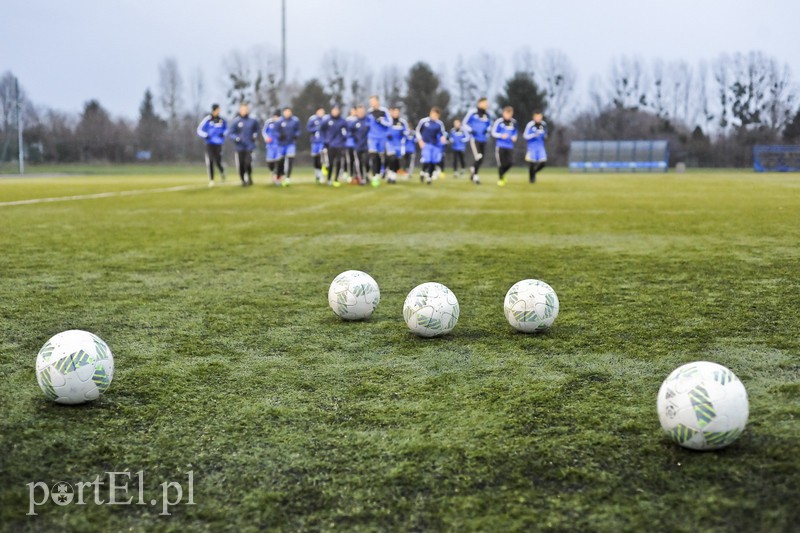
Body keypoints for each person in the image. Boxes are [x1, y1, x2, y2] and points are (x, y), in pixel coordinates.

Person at [228, 103, 260, 186]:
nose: (244, 111)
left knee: (248, 163)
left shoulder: (253, 120)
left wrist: (255, 135)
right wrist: (236, 138)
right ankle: (243, 180)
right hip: (240, 147)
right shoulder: (236, 121)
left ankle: (249, 176)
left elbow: (257, 130)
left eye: (245, 109)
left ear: (248, 110)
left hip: (249, 146)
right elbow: (231, 133)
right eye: (242, 109)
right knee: (241, 164)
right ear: (240, 110)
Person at [463, 97, 492, 185]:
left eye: (487, 103)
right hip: (474, 139)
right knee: (478, 157)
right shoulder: (472, 112)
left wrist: (487, 129)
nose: (487, 105)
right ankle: (475, 176)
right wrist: (471, 130)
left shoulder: (487, 114)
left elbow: (490, 125)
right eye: (485, 103)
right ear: (479, 103)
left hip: (483, 139)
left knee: (481, 159)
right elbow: (464, 123)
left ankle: (473, 169)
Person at [196, 104, 227, 187]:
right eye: (218, 109)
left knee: (218, 162)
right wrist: (205, 135)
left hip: (218, 144)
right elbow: (199, 130)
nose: (219, 111)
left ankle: (222, 172)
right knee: (210, 161)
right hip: (209, 144)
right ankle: (211, 179)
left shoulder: (222, 120)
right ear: (214, 110)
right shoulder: (208, 120)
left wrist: (223, 134)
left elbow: (226, 129)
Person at [416, 106, 448, 185]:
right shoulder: (423, 121)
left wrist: (443, 138)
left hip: (435, 145)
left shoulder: (439, 124)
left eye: (436, 115)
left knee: (433, 161)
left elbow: (442, 134)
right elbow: (417, 131)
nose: (434, 116)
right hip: (426, 144)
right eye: (433, 114)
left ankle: (429, 177)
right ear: (430, 113)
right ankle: (423, 172)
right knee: (427, 160)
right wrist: (420, 141)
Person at [320, 105, 349, 187]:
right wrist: (324, 140)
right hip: (330, 145)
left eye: (337, 110)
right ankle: (329, 179)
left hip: (340, 145)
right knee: (330, 163)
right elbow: (321, 130)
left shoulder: (342, 121)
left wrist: (345, 138)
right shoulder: (327, 120)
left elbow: (347, 132)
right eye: (334, 110)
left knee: (339, 162)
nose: (335, 112)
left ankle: (336, 179)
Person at [366, 95, 392, 186]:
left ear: (377, 101)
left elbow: (390, 123)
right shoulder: (369, 112)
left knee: (381, 157)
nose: (371, 103)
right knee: (373, 156)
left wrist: (381, 121)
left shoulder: (384, 111)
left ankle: (382, 171)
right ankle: (374, 176)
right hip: (372, 138)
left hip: (382, 137)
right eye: (370, 101)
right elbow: (367, 124)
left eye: (373, 101)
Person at [491, 106, 518, 187]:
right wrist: (501, 135)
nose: (508, 115)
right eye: (507, 113)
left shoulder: (514, 122)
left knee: (510, 163)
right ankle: (501, 179)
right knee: (501, 164)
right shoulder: (499, 122)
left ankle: (502, 174)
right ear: (504, 113)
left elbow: (515, 132)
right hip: (500, 146)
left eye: (510, 114)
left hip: (510, 146)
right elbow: (493, 133)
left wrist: (514, 137)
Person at [274, 107, 301, 186]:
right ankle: (279, 177)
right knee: (280, 162)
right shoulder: (279, 121)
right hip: (281, 144)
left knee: (290, 160)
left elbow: (298, 130)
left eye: (289, 112)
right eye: (286, 112)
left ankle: (288, 178)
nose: (287, 113)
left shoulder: (295, 120)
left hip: (291, 144)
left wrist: (296, 136)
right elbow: (275, 131)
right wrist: (279, 136)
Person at [385, 106, 409, 184]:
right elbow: (383, 130)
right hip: (390, 143)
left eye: (397, 112)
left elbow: (407, 132)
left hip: (399, 144)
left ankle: (393, 176)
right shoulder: (388, 121)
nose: (395, 114)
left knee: (396, 161)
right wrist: (387, 135)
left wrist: (403, 134)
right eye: (394, 112)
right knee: (392, 158)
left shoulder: (402, 122)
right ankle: (390, 174)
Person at [523, 111, 548, 184]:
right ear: (534, 117)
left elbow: (545, 134)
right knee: (532, 163)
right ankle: (532, 179)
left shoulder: (543, 124)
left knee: (543, 163)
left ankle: (533, 172)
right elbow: (525, 136)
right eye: (537, 117)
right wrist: (533, 135)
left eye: (539, 117)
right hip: (532, 147)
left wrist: (545, 136)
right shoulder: (530, 125)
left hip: (540, 146)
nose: (538, 118)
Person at [348, 105, 370, 185]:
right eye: (359, 111)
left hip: (367, 145)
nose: (361, 113)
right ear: (357, 112)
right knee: (359, 162)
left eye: (362, 111)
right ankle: (362, 179)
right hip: (357, 146)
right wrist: (354, 138)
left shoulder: (368, 121)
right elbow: (349, 132)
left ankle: (367, 174)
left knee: (367, 161)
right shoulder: (354, 123)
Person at [262, 108, 282, 185]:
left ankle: (278, 176)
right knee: (270, 162)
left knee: (279, 162)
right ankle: (273, 172)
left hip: (279, 146)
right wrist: (266, 138)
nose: (275, 118)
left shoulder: (281, 123)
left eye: (277, 116)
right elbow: (264, 131)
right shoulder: (269, 122)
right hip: (270, 146)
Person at [306, 107, 326, 183]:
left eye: (322, 111)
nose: (321, 113)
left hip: (323, 142)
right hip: (315, 142)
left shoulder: (325, 119)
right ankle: (317, 174)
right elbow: (308, 129)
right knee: (316, 159)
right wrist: (316, 128)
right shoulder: (312, 119)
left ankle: (322, 174)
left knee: (322, 158)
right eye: (320, 111)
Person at [344, 106, 358, 183]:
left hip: (357, 143)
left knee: (357, 160)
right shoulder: (347, 120)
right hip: (349, 143)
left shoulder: (358, 120)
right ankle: (349, 174)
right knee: (350, 159)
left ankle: (356, 175)